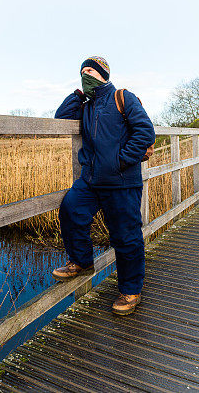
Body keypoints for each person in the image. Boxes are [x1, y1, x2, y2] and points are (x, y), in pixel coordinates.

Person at [51, 56, 156, 315]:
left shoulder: (123, 97)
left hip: (121, 181)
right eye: (82, 72)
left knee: (125, 235)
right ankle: (82, 261)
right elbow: (60, 118)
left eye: (90, 71)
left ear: (103, 74)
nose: (85, 74)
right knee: (71, 210)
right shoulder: (85, 105)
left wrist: (120, 161)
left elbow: (145, 132)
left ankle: (130, 290)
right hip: (91, 180)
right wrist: (78, 93)